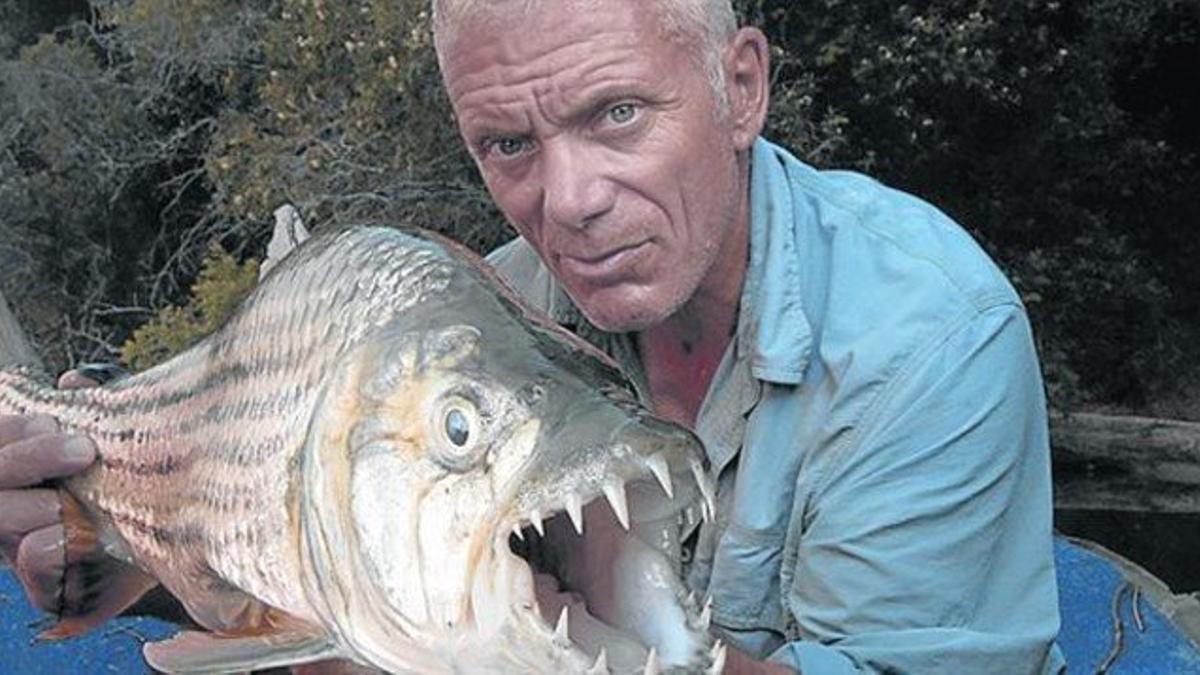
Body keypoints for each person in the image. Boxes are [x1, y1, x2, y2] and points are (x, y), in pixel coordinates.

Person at [0, 0, 1065, 672]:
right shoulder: (494, 305)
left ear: (741, 87)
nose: (567, 202)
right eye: (507, 142)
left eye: (616, 114)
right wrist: (118, 541)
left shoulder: (931, 341)